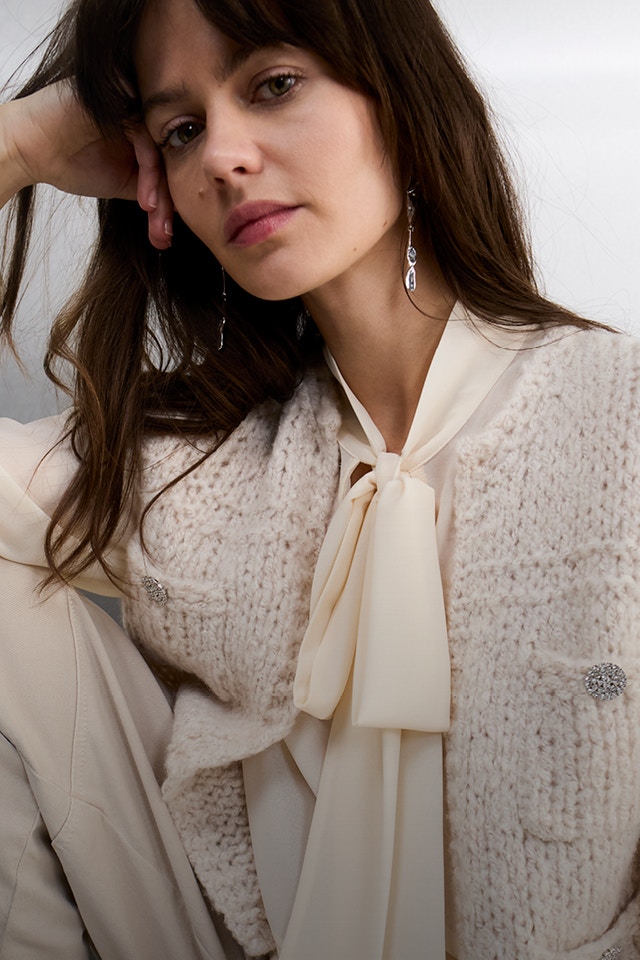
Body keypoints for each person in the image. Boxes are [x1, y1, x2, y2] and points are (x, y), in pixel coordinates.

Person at [0, 0, 638, 957]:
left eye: (274, 85)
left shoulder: (617, 416)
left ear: (398, 94)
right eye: (181, 130)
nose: (221, 155)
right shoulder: (191, 459)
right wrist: (18, 144)